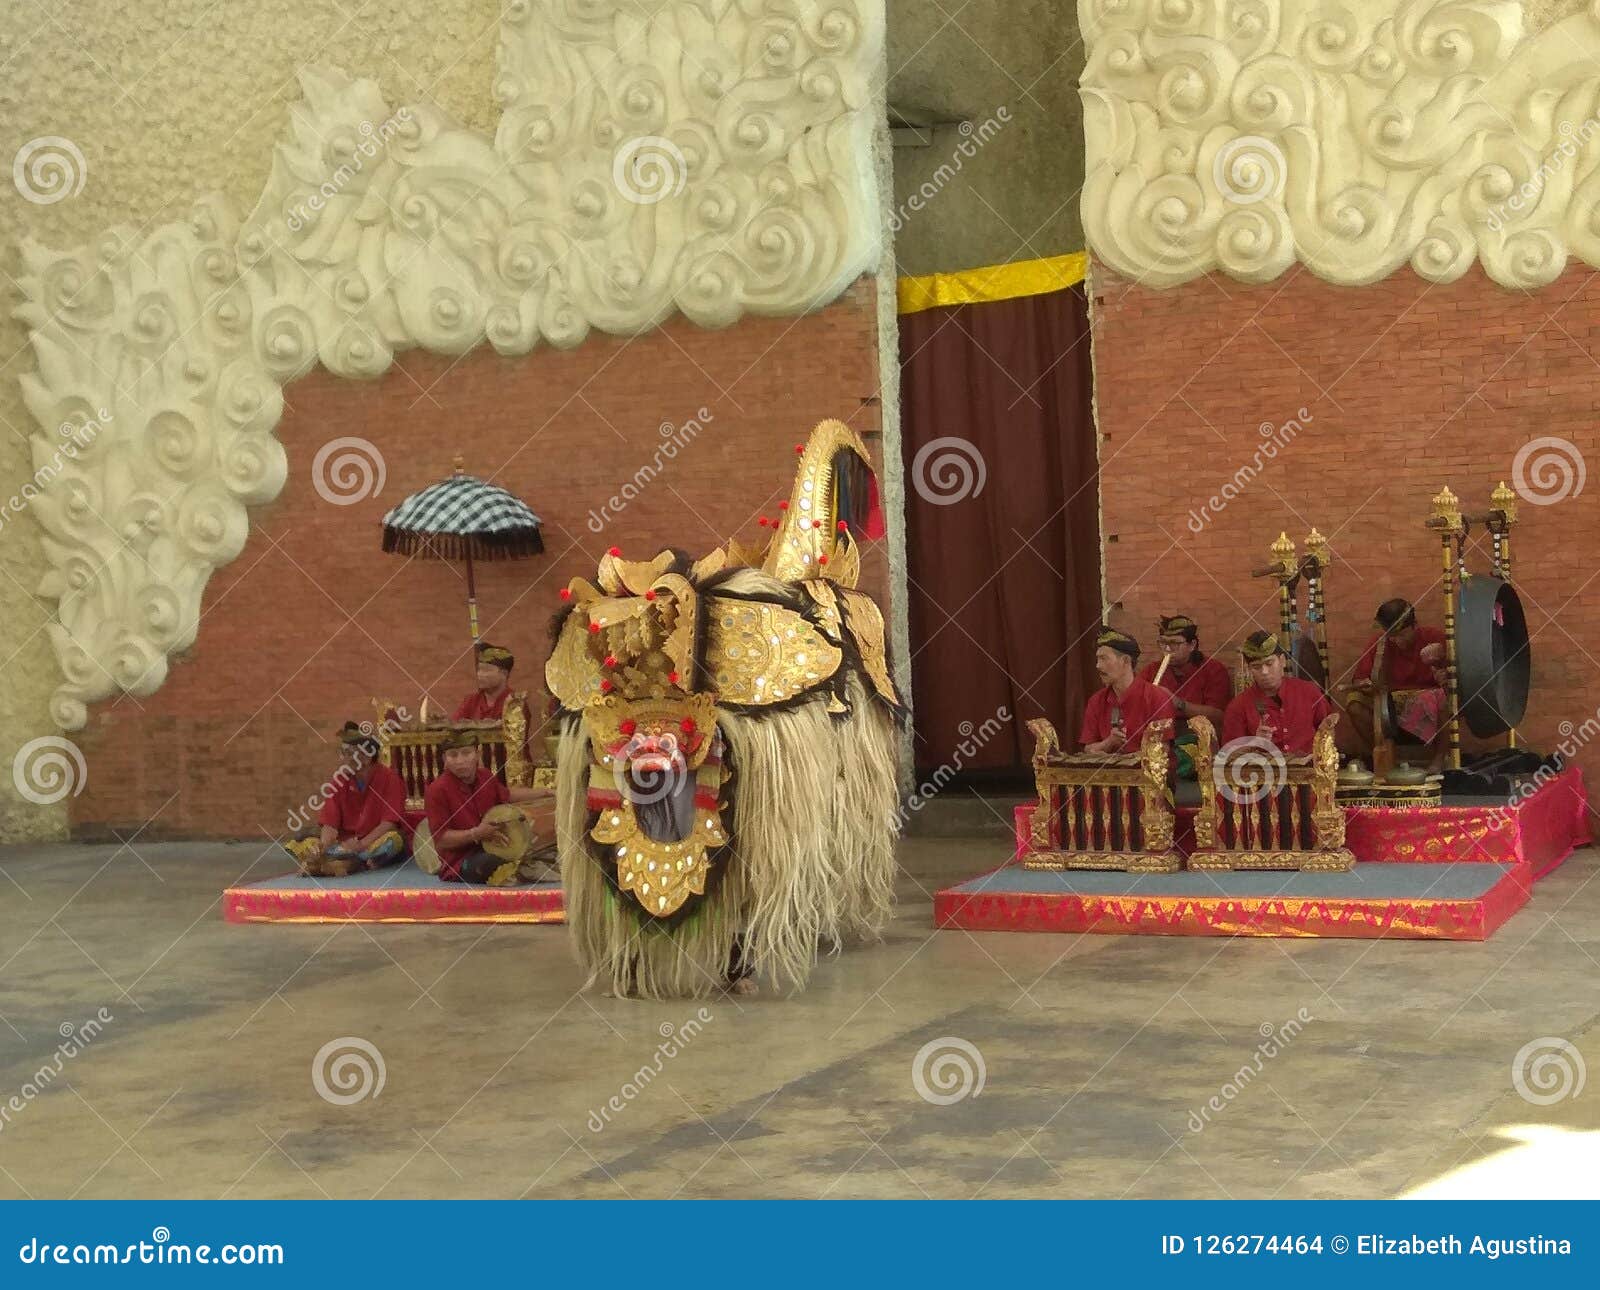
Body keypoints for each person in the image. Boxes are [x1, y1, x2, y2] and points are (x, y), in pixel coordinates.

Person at [423, 726, 549, 886]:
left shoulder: (485, 776)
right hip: (463, 861)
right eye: (453, 755)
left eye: (466, 753)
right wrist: (477, 834)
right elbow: (442, 840)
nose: (460, 761)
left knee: (537, 851)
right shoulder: (436, 790)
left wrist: (545, 792)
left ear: (477, 754)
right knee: (494, 862)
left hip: (494, 846)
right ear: (444, 760)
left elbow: (508, 795)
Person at [284, 723, 409, 877]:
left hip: (372, 841)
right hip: (344, 844)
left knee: (393, 841)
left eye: (349, 753)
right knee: (301, 843)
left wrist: (361, 844)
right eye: (342, 753)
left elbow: (389, 823)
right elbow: (330, 824)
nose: (343, 758)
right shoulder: (339, 780)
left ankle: (342, 864)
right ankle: (335, 862)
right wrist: (322, 848)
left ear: (367, 756)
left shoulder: (390, 779)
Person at [1344, 598, 1448, 752]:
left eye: (1401, 635)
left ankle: (1439, 757)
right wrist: (1366, 684)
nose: (1395, 640)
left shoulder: (1434, 637)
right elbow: (1360, 679)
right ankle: (1385, 755)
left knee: (1444, 699)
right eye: (1391, 636)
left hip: (1428, 700)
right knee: (1354, 702)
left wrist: (1444, 676)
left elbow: (1455, 675)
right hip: (1390, 705)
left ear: (1414, 625)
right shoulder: (1380, 643)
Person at [1139, 613, 1232, 775]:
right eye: (1163, 643)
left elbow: (1219, 716)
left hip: (1199, 745)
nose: (1167, 649)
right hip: (1161, 743)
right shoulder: (1150, 671)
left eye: (1175, 643)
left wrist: (1178, 703)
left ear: (1192, 644)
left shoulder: (1213, 670)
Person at [1221, 630, 1334, 755]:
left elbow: (1329, 732)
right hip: (1264, 772)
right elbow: (1229, 756)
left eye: (1269, 663)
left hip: (1309, 771)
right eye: (1256, 667)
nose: (1264, 672)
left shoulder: (1309, 692)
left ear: (1282, 661)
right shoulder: (1238, 706)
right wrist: (1255, 744)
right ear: (1249, 669)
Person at [1079, 627, 1176, 753]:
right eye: (1097, 659)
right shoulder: (1096, 701)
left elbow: (1161, 751)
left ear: (1125, 660)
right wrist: (1108, 742)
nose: (1098, 666)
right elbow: (1088, 749)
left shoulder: (1157, 697)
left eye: (1104, 658)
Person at [453, 642, 517, 720]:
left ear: (504, 673)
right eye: (479, 669)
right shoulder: (471, 701)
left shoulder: (514, 703)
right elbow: (454, 726)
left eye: (486, 670)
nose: (480, 674)